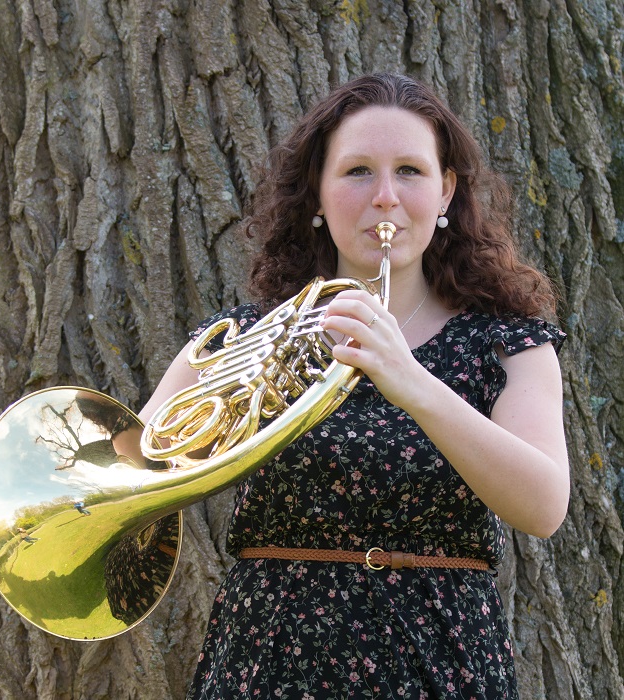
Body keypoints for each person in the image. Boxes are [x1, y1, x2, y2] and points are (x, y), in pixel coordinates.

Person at [139, 73, 569, 699]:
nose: (386, 197)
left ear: (445, 191)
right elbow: (137, 463)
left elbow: (543, 506)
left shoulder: (508, 343)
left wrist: (412, 382)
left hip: (441, 663)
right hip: (267, 661)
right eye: (358, 171)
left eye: (411, 172)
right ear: (317, 193)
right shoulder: (244, 338)